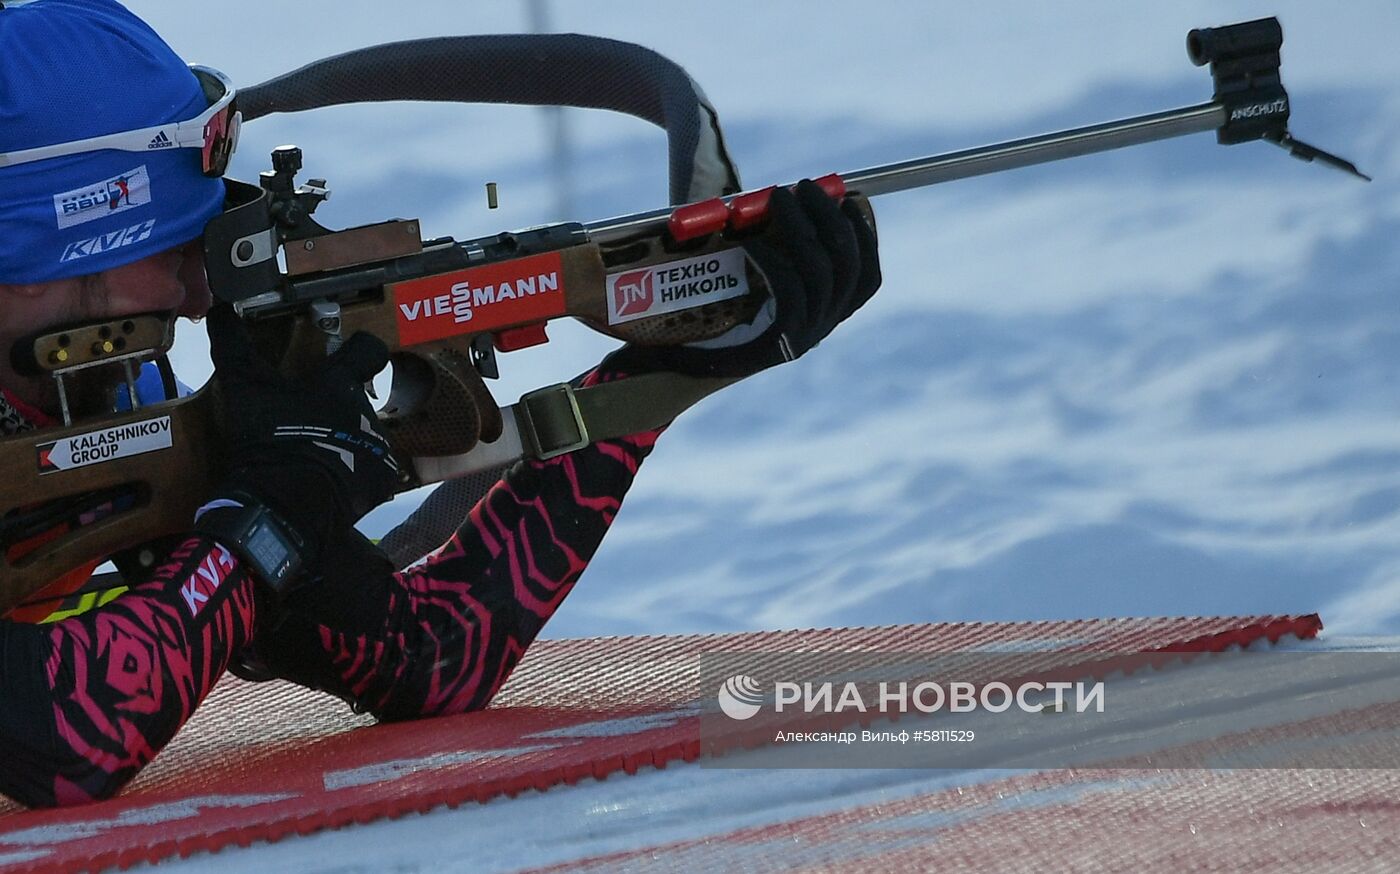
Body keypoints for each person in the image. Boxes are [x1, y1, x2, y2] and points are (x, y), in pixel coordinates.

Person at [0, 0, 880, 808]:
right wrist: (271, 517)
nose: (199, 290)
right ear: (43, 249)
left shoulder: (108, 398)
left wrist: (675, 371)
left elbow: (433, 657)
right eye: (168, 241)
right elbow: (65, 739)